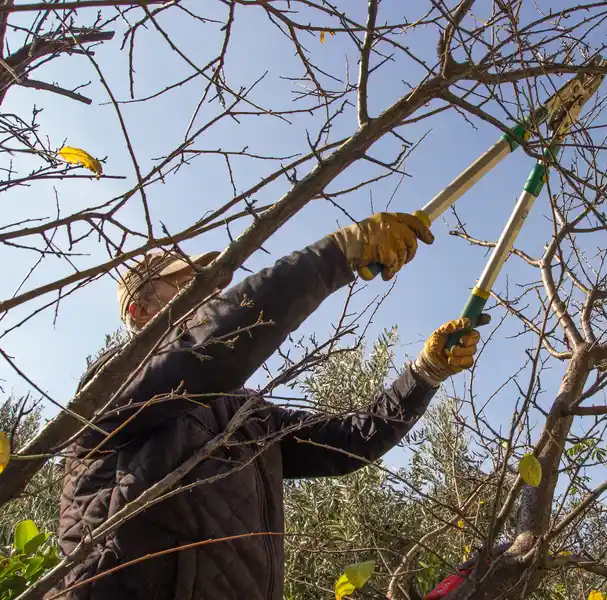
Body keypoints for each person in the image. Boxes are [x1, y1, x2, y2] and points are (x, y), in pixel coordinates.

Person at [53, 212, 482, 600]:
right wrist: (338, 254)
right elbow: (210, 350)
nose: (207, 291)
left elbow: (350, 441)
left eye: (207, 282)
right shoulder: (109, 385)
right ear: (140, 309)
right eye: (185, 284)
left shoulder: (246, 414)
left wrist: (424, 374)